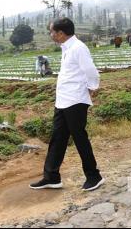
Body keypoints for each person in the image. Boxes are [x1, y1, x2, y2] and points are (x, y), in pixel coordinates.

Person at [30, 17, 105, 192]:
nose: (51, 35)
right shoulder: (67, 48)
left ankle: (94, 176)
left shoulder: (78, 48)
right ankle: (51, 177)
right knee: (57, 138)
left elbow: (91, 71)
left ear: (61, 33)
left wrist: (92, 88)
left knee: (79, 138)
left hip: (75, 101)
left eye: (52, 32)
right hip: (63, 101)